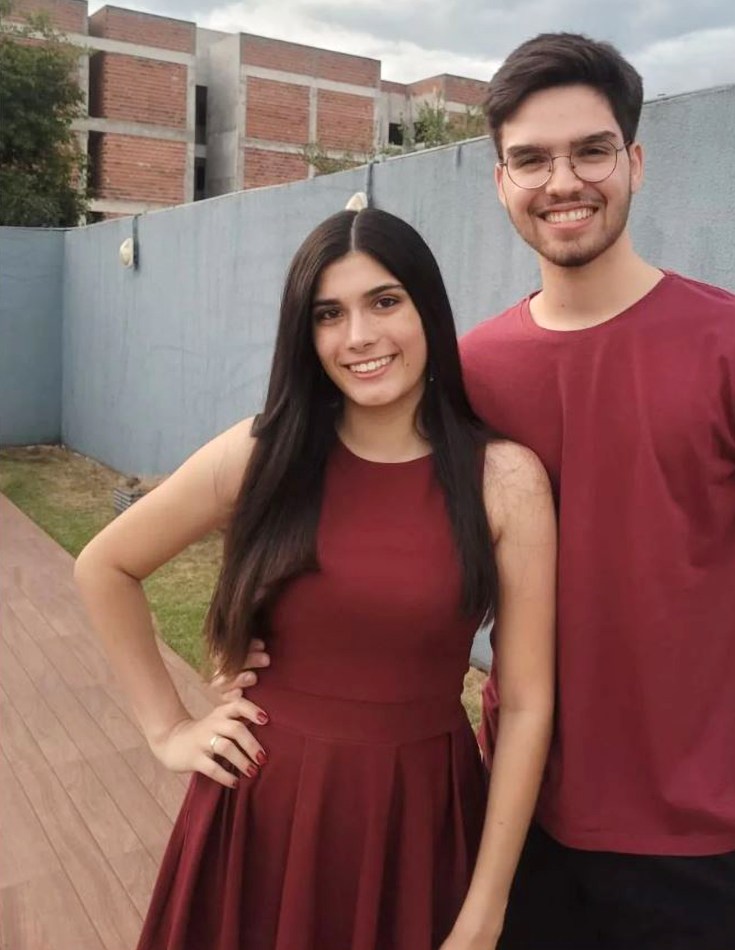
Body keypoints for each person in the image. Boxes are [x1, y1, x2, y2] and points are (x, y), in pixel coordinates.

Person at [223, 32, 735, 950]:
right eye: (530, 158)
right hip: (515, 826)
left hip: (706, 845)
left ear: (634, 161)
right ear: (500, 180)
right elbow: (354, 513)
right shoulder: (467, 373)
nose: (564, 180)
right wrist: (254, 661)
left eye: (591, 149)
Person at [73, 208, 556, 950]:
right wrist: (168, 728)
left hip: (417, 819)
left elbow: (523, 705)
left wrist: (486, 908)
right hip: (262, 812)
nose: (358, 336)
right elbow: (105, 565)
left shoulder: (504, 481)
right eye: (329, 314)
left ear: (429, 307)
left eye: (384, 302)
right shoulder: (264, 452)